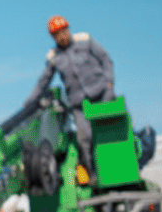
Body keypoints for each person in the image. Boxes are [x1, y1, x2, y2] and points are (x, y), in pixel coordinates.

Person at [18, 15, 116, 176]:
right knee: (84, 139)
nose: (62, 36)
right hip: (79, 104)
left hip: (101, 94)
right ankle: (93, 174)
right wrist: (29, 102)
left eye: (63, 32)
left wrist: (109, 84)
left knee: (109, 131)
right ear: (53, 37)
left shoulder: (85, 40)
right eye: (57, 34)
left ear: (68, 29)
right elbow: (44, 82)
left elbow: (106, 59)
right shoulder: (54, 57)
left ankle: (115, 170)